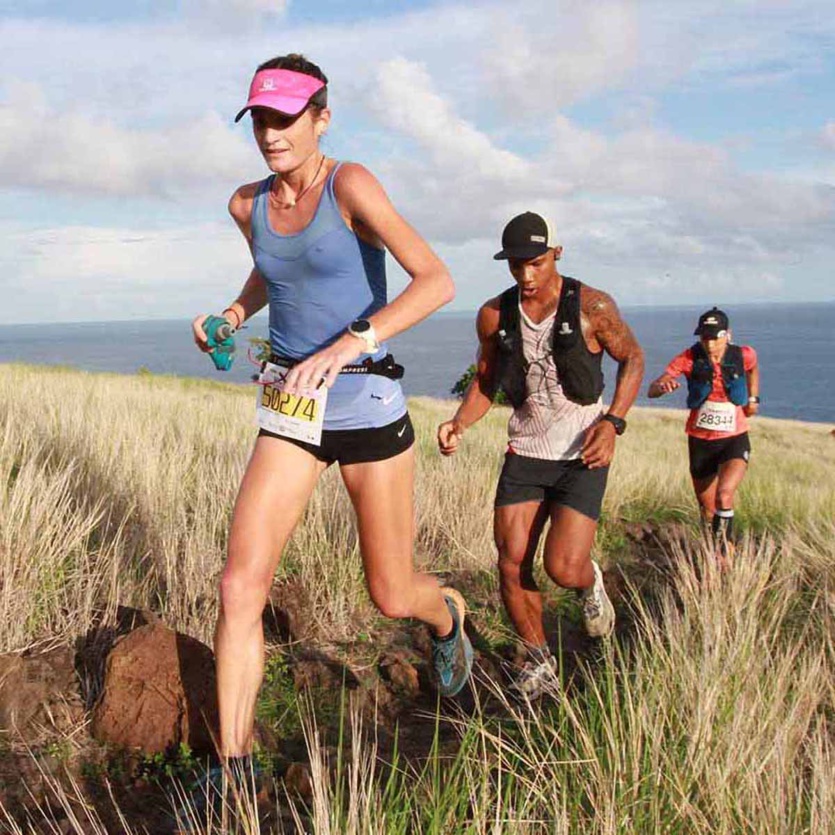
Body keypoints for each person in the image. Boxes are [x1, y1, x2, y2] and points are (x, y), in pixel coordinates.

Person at [190, 54, 473, 799]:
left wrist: (351, 341)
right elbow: (273, 271)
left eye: (286, 117)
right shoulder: (246, 205)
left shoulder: (349, 184)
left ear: (321, 116)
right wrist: (230, 314)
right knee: (238, 585)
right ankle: (233, 767)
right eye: (260, 118)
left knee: (390, 592)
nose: (271, 133)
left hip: (366, 403)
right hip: (289, 407)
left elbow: (436, 280)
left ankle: (447, 620)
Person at [437, 212, 644, 700]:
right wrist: (460, 423)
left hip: (582, 453)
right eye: (515, 266)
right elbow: (487, 380)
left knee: (563, 568)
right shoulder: (494, 314)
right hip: (526, 452)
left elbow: (632, 358)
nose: (526, 276)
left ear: (557, 254)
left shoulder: (593, 305)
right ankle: (538, 661)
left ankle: (590, 583)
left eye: (535, 263)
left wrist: (613, 422)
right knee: (511, 563)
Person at [647, 307, 759, 562]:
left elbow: (753, 368)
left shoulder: (744, 355)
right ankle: (713, 552)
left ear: (727, 335)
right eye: (704, 337)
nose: (709, 343)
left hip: (734, 438)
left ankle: (726, 555)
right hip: (700, 441)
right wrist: (661, 388)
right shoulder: (688, 358)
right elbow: (653, 389)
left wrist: (753, 398)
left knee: (724, 495)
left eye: (715, 336)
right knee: (708, 510)